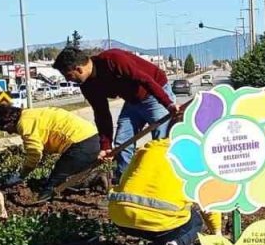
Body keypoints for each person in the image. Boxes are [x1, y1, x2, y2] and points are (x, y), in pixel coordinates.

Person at [53, 47, 179, 182]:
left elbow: (146, 80)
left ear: (79, 69)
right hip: (132, 101)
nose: (70, 80)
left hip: (154, 93)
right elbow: (101, 114)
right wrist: (105, 146)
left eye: (69, 76)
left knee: (161, 139)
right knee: (122, 142)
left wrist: (168, 104)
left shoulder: (113, 60)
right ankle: (126, 182)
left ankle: (163, 181)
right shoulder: (87, 86)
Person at [107, 138, 209, 245]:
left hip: (121, 217)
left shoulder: (148, 147)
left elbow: (126, 177)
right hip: (159, 222)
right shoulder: (196, 155)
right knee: (195, 221)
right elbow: (208, 201)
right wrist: (217, 233)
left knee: (163, 219)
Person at [0, 104, 100, 203]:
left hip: (81, 143)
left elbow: (34, 153)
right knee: (68, 174)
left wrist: (21, 175)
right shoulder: (29, 114)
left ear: (9, 121)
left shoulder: (24, 124)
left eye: (4, 128)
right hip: (91, 137)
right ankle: (97, 179)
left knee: (56, 178)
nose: (9, 132)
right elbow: (44, 137)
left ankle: (42, 199)